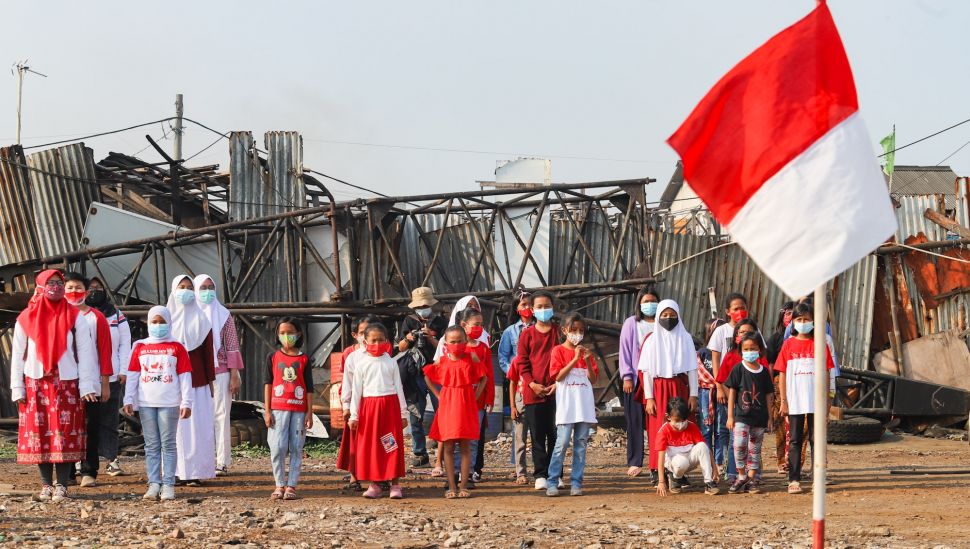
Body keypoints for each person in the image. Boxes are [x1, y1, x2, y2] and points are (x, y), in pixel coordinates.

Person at [10, 270, 99, 503]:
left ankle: (62, 486)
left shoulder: (74, 316)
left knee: (65, 433)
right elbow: (18, 354)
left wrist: (88, 385)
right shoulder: (25, 317)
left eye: (59, 283)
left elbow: (87, 352)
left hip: (67, 382)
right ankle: (46, 485)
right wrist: (17, 388)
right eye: (50, 283)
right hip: (35, 382)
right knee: (39, 435)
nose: (56, 287)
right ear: (39, 286)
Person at [123, 306, 193, 501]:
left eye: (162, 321)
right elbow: (133, 374)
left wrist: (186, 402)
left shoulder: (177, 347)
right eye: (154, 321)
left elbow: (185, 376)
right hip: (146, 403)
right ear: (148, 323)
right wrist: (129, 398)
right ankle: (154, 483)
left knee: (168, 444)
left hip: (170, 403)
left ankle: (169, 484)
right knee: (151, 445)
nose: (158, 325)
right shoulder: (139, 346)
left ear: (169, 322)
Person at [637, 300, 699, 486]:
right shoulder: (651, 340)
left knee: (681, 428)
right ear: (658, 317)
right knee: (659, 428)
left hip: (680, 388)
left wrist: (693, 395)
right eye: (664, 315)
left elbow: (692, 369)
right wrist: (649, 397)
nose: (668, 318)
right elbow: (646, 371)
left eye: (672, 315)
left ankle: (679, 471)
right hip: (659, 389)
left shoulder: (685, 338)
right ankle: (657, 470)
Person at [775, 302, 835, 494]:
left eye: (807, 319)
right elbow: (782, 374)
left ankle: (818, 477)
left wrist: (826, 403)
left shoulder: (820, 345)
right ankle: (794, 479)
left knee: (816, 440)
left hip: (816, 402)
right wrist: (784, 401)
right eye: (799, 320)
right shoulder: (788, 345)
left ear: (814, 322)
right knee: (794, 440)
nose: (803, 323)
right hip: (795, 402)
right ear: (793, 322)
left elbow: (826, 374)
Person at [63, 272, 114, 488]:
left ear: (85, 290)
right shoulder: (57, 315)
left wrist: (104, 383)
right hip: (65, 381)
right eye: (70, 288)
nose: (74, 292)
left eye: (78, 287)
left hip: (91, 381)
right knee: (66, 426)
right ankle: (67, 472)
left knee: (90, 425)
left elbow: (104, 350)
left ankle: (89, 470)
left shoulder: (96, 317)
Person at [423, 326, 487, 498]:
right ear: (446, 343)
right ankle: (451, 486)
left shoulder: (470, 357)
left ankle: (464, 486)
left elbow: (484, 377)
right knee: (448, 446)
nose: (456, 344)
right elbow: (427, 375)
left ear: (465, 342)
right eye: (452, 342)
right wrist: (438, 396)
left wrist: (475, 397)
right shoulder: (442, 361)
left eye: (460, 341)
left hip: (466, 405)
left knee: (466, 446)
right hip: (448, 406)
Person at [167, 275, 217, 485]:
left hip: (198, 383)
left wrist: (211, 382)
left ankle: (195, 472)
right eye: (182, 287)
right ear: (173, 290)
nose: (186, 291)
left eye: (189, 287)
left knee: (198, 429)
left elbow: (207, 354)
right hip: (171, 385)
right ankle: (175, 472)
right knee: (174, 430)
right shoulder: (164, 319)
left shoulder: (202, 320)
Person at [349, 323, 408, 499]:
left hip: (389, 409)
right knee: (372, 447)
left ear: (387, 341)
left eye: (381, 340)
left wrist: (403, 414)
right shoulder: (360, 364)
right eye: (373, 340)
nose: (377, 343)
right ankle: (374, 484)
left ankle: (395, 484)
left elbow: (399, 388)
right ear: (365, 342)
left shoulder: (391, 362)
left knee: (391, 445)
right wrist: (354, 415)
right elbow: (356, 392)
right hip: (369, 410)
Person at [193, 275, 244, 477]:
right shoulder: (190, 314)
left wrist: (234, 374)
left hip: (221, 372)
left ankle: (221, 461)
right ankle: (201, 461)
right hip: (196, 373)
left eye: (211, 287)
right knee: (198, 417)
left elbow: (231, 346)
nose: (207, 291)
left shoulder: (223, 315)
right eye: (203, 287)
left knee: (221, 416)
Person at [546, 312, 599, 497]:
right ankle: (552, 481)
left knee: (581, 444)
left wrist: (586, 361)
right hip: (567, 407)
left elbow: (592, 379)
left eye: (581, 330)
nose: (577, 334)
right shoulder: (558, 351)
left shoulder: (586, 353)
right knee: (561, 443)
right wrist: (575, 360)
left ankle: (577, 482)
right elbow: (557, 376)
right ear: (564, 330)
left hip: (583, 407)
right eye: (573, 330)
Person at [85, 276, 132, 477]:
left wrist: (123, 370)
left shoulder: (116, 315)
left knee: (109, 419)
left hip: (111, 377)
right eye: (91, 288)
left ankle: (112, 460)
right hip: (86, 379)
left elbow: (125, 343)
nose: (95, 291)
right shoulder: (81, 314)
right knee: (86, 422)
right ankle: (83, 462)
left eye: (99, 287)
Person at [395, 287, 447, 468]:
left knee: (443, 410)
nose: (422, 308)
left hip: (436, 371)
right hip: (415, 373)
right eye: (420, 306)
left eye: (425, 305)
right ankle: (419, 452)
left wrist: (431, 337)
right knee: (416, 413)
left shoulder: (440, 322)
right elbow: (400, 348)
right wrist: (410, 338)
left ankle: (443, 450)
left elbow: (445, 347)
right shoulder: (409, 321)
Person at [713, 318, 768, 483]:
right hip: (736, 407)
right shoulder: (731, 356)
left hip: (756, 409)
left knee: (754, 444)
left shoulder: (761, 361)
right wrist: (727, 395)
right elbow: (722, 378)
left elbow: (766, 386)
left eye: (749, 331)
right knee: (735, 441)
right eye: (741, 332)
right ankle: (733, 473)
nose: (745, 334)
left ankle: (754, 475)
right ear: (736, 336)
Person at [264, 318, 314, 500]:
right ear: (277, 335)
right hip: (278, 409)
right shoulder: (273, 357)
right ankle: (279, 484)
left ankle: (291, 485)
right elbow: (268, 384)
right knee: (277, 447)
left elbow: (309, 388)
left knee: (296, 446)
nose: (286, 336)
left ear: (298, 334)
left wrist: (310, 412)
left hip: (299, 410)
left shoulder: (304, 359)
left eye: (290, 332)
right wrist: (267, 411)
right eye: (282, 333)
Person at [517, 290, 560, 491]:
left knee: (556, 435)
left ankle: (556, 474)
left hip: (556, 391)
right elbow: (522, 364)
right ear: (533, 310)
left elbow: (566, 359)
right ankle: (540, 474)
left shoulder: (559, 332)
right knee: (537, 436)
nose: (544, 310)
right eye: (540, 307)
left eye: (547, 306)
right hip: (533, 393)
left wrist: (557, 384)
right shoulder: (527, 334)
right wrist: (532, 384)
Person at [725, 333, 775, 494]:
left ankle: (752, 479)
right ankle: (741, 475)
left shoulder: (764, 371)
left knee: (755, 449)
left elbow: (768, 395)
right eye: (746, 349)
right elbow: (732, 392)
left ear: (760, 350)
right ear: (741, 351)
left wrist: (770, 417)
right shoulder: (738, 369)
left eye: (753, 348)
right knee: (739, 444)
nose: (750, 351)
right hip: (741, 416)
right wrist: (730, 416)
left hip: (759, 418)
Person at [618, 287, 660, 477]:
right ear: (639, 304)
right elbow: (625, 351)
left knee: (656, 420)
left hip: (658, 379)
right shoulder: (632, 323)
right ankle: (635, 461)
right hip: (636, 380)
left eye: (653, 301)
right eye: (645, 301)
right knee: (634, 421)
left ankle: (657, 461)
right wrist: (627, 376)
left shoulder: (663, 323)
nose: (649, 305)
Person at [337, 314, 380, 491]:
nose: (366, 336)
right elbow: (345, 381)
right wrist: (346, 405)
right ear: (356, 334)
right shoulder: (351, 354)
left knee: (377, 439)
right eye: (363, 332)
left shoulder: (381, 352)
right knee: (355, 442)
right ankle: (355, 476)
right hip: (356, 404)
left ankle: (379, 475)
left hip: (376, 402)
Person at [498, 291, 533, 481]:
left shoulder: (540, 329)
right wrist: (513, 371)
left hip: (537, 385)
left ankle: (540, 470)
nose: (527, 308)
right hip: (518, 385)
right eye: (523, 305)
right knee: (519, 433)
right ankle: (520, 471)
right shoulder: (510, 331)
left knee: (538, 433)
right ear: (517, 309)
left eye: (530, 304)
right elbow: (503, 357)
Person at [655, 397, 720, 496]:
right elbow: (661, 458)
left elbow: (705, 449)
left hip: (689, 460)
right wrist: (661, 481)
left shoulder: (691, 426)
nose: (681, 423)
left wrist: (715, 469)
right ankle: (674, 477)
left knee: (702, 445)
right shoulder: (664, 431)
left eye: (683, 420)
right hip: (674, 463)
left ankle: (709, 482)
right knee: (681, 462)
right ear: (668, 417)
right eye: (677, 420)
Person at [461, 307, 493, 484]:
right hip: (459, 400)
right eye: (476, 324)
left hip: (478, 402)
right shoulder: (456, 347)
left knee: (474, 438)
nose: (479, 328)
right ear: (464, 325)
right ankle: (457, 471)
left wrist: (488, 399)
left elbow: (488, 376)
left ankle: (470, 472)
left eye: (481, 325)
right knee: (457, 437)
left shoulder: (484, 349)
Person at [506, 357, 530, 485]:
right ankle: (521, 473)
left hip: (539, 398)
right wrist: (513, 406)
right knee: (520, 439)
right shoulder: (517, 360)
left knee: (540, 438)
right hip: (521, 399)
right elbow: (512, 383)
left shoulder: (541, 357)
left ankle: (542, 473)